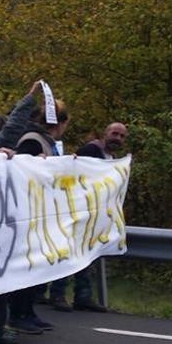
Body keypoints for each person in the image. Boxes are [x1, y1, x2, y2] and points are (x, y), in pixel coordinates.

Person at [5, 100, 71, 334]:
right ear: (60, 123)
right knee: (28, 266)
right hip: (29, 211)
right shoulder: (33, 140)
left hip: (41, 210)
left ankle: (28, 310)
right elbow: (23, 170)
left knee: (38, 266)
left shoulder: (46, 141)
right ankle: (18, 313)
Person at [47, 121, 126, 313]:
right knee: (69, 253)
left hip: (94, 214)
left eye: (122, 136)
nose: (118, 139)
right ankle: (58, 294)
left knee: (87, 254)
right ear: (105, 133)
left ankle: (83, 295)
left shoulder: (111, 157)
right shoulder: (91, 150)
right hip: (78, 211)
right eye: (115, 134)